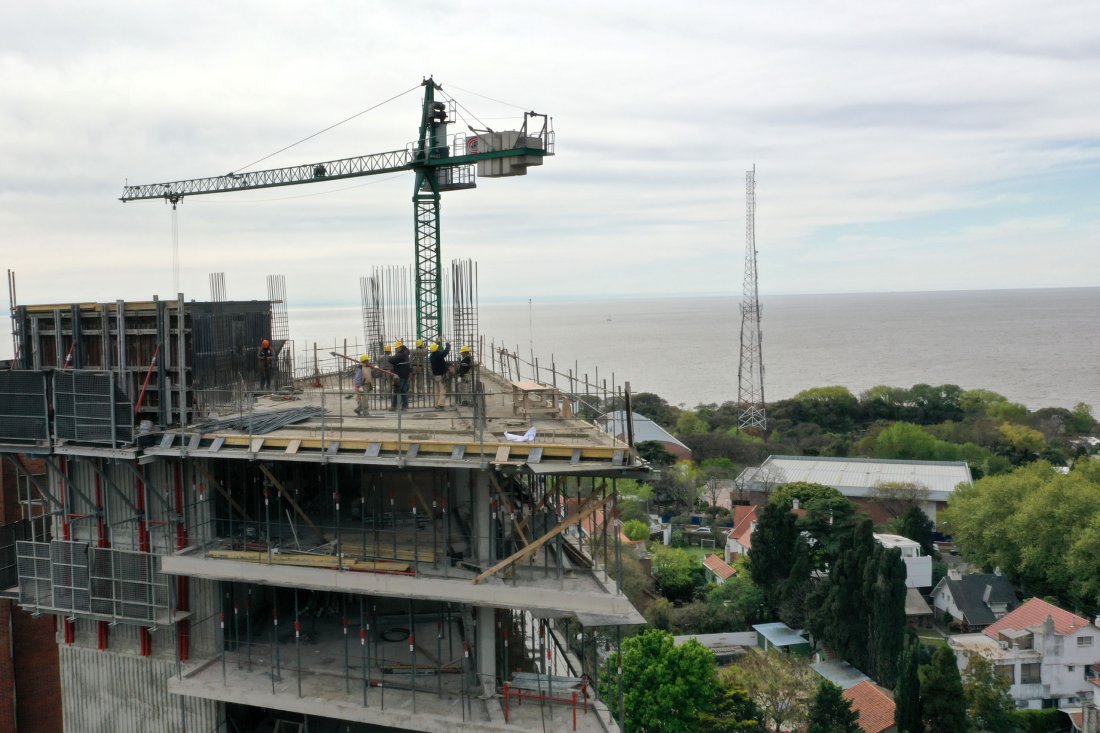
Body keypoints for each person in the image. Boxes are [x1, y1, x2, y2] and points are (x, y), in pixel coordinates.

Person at [388, 340, 411, 410]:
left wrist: (389, 357)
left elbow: (391, 360)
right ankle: (405, 406)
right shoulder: (406, 352)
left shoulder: (400, 355)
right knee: (404, 391)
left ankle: (394, 406)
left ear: (400, 347)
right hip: (406, 375)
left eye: (396, 348)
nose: (396, 349)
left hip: (400, 375)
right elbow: (407, 350)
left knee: (397, 390)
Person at [429, 340, 451, 408]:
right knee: (442, 390)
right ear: (436, 349)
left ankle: (436, 404)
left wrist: (437, 343)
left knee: (437, 390)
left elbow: (441, 360)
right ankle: (440, 404)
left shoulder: (431, 356)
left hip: (435, 375)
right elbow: (446, 351)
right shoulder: (438, 354)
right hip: (441, 375)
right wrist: (447, 344)